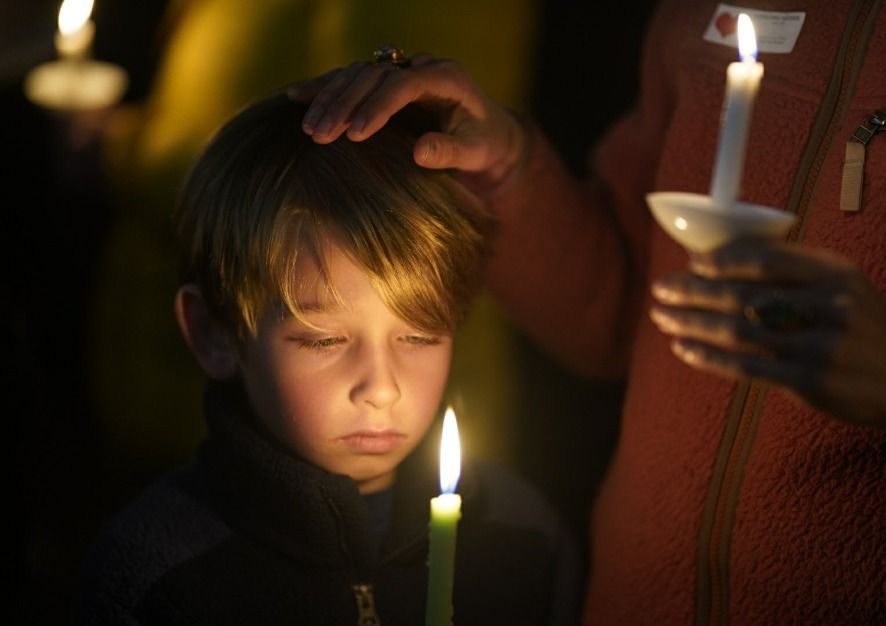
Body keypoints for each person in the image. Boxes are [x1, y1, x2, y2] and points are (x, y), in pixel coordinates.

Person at [292, 0, 886, 623]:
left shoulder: (525, 544)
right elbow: (622, 314)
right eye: (321, 336)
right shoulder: (692, 14)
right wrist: (506, 172)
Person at [77, 92, 581, 626]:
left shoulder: (525, 540)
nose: (381, 388)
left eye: (420, 336)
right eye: (324, 340)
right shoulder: (155, 576)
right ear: (215, 334)